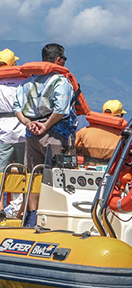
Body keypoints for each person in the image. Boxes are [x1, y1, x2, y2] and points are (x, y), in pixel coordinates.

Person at [13, 43, 76, 226]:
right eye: (64, 59)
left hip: (32, 136)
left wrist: (29, 123)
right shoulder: (60, 81)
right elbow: (61, 110)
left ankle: (32, 218)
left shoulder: (27, 82)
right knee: (60, 176)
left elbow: (18, 108)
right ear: (58, 60)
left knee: (35, 175)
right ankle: (57, 218)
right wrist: (45, 125)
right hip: (56, 134)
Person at [0, 49, 26, 219]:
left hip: (2, 131)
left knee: (1, 172)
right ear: (14, 64)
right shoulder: (24, 81)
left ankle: (1, 208)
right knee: (23, 170)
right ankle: (22, 210)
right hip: (23, 128)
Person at [75, 100, 125, 165]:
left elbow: (71, 148)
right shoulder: (124, 137)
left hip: (87, 169)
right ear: (120, 116)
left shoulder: (84, 131)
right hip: (111, 172)